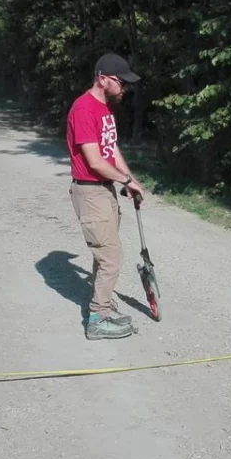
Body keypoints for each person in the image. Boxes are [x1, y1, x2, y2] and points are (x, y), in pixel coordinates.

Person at [66, 53, 146, 340]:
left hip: (105, 190)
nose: (125, 88)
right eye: (121, 82)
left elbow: (111, 150)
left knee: (104, 254)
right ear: (102, 79)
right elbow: (95, 161)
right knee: (111, 257)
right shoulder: (83, 109)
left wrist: (129, 179)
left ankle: (104, 306)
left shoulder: (104, 108)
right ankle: (98, 319)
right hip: (90, 192)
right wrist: (125, 179)